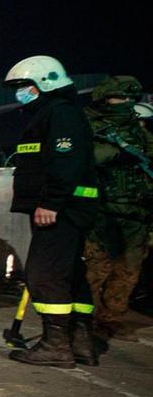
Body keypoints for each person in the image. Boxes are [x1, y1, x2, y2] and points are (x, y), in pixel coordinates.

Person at [4, 55, 100, 367]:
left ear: (44, 82)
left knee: (44, 275)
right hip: (68, 208)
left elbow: (65, 161)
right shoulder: (55, 113)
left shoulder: (60, 114)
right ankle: (79, 339)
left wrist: (51, 202)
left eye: (24, 86)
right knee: (70, 274)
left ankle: (56, 344)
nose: (20, 92)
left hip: (61, 209)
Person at [82, 76, 153, 341]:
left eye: (131, 99)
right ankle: (86, 318)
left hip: (136, 212)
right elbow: (87, 157)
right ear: (105, 99)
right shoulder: (89, 126)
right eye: (121, 98)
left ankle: (110, 320)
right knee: (97, 269)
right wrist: (114, 153)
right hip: (102, 212)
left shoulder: (140, 130)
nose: (127, 104)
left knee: (128, 271)